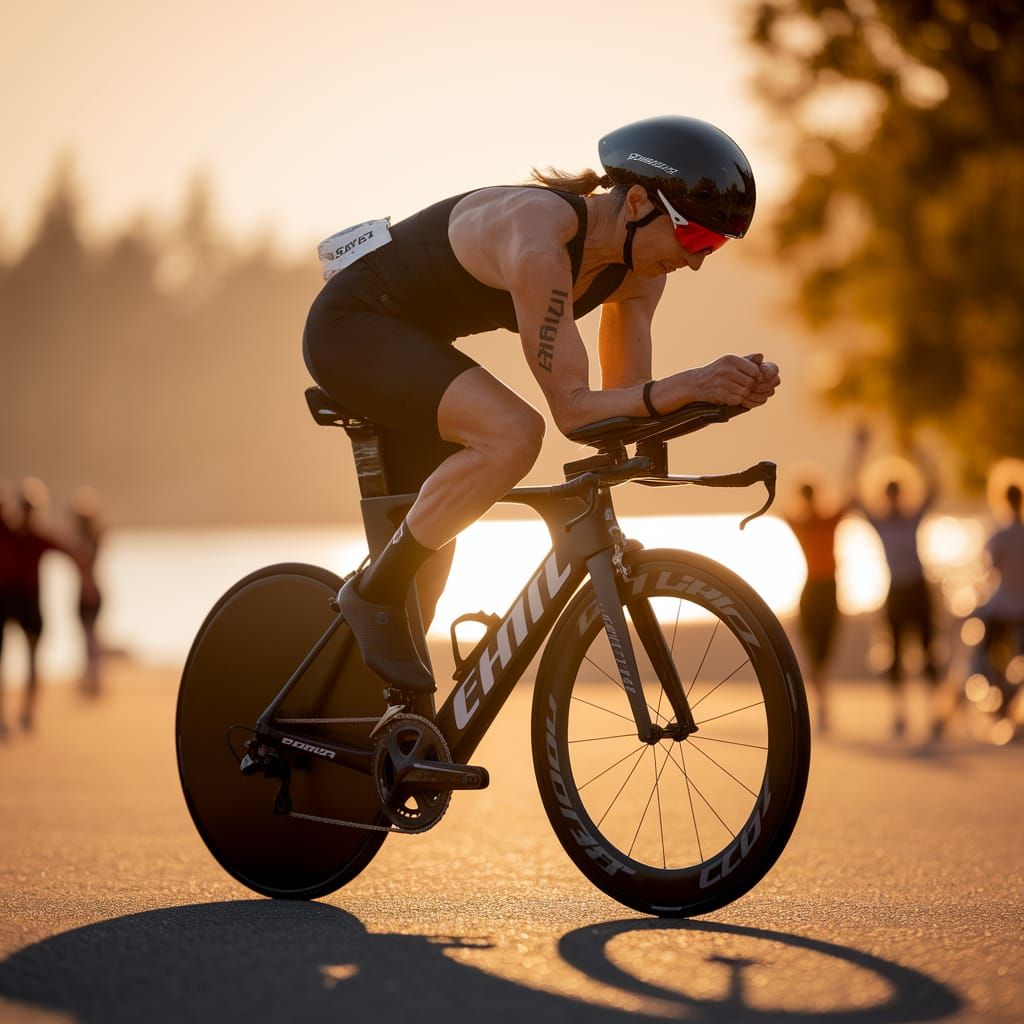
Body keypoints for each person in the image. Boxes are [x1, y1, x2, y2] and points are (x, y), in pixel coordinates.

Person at [303, 115, 779, 698]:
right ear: (636, 203)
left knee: (422, 586)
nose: (698, 261)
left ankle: (383, 716)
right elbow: (574, 412)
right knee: (514, 433)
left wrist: (718, 397)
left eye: (715, 247)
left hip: (418, 349)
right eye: (696, 238)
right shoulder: (538, 238)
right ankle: (369, 593)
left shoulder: (639, 275)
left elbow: (621, 411)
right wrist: (691, 384)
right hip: (353, 327)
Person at [853, 439, 942, 738]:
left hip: (917, 589)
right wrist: (860, 452)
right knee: (894, 655)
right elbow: (855, 495)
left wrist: (919, 456)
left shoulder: (912, 518)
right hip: (896, 591)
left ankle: (933, 711)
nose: (892, 498)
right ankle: (900, 712)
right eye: (889, 493)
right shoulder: (881, 523)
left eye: (896, 492)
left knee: (928, 651)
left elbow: (934, 489)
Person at [785, 431, 867, 732]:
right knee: (812, 650)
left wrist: (858, 451)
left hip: (828, 589)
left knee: (825, 650)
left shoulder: (826, 520)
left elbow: (849, 490)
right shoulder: (801, 523)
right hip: (813, 589)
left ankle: (823, 701)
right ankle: (821, 702)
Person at [69, 486, 105, 696]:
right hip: (89, 591)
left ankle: (93, 678)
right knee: (89, 636)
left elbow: (84, 566)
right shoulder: (92, 538)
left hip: (88, 592)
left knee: (90, 636)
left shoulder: (86, 542)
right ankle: (91, 676)